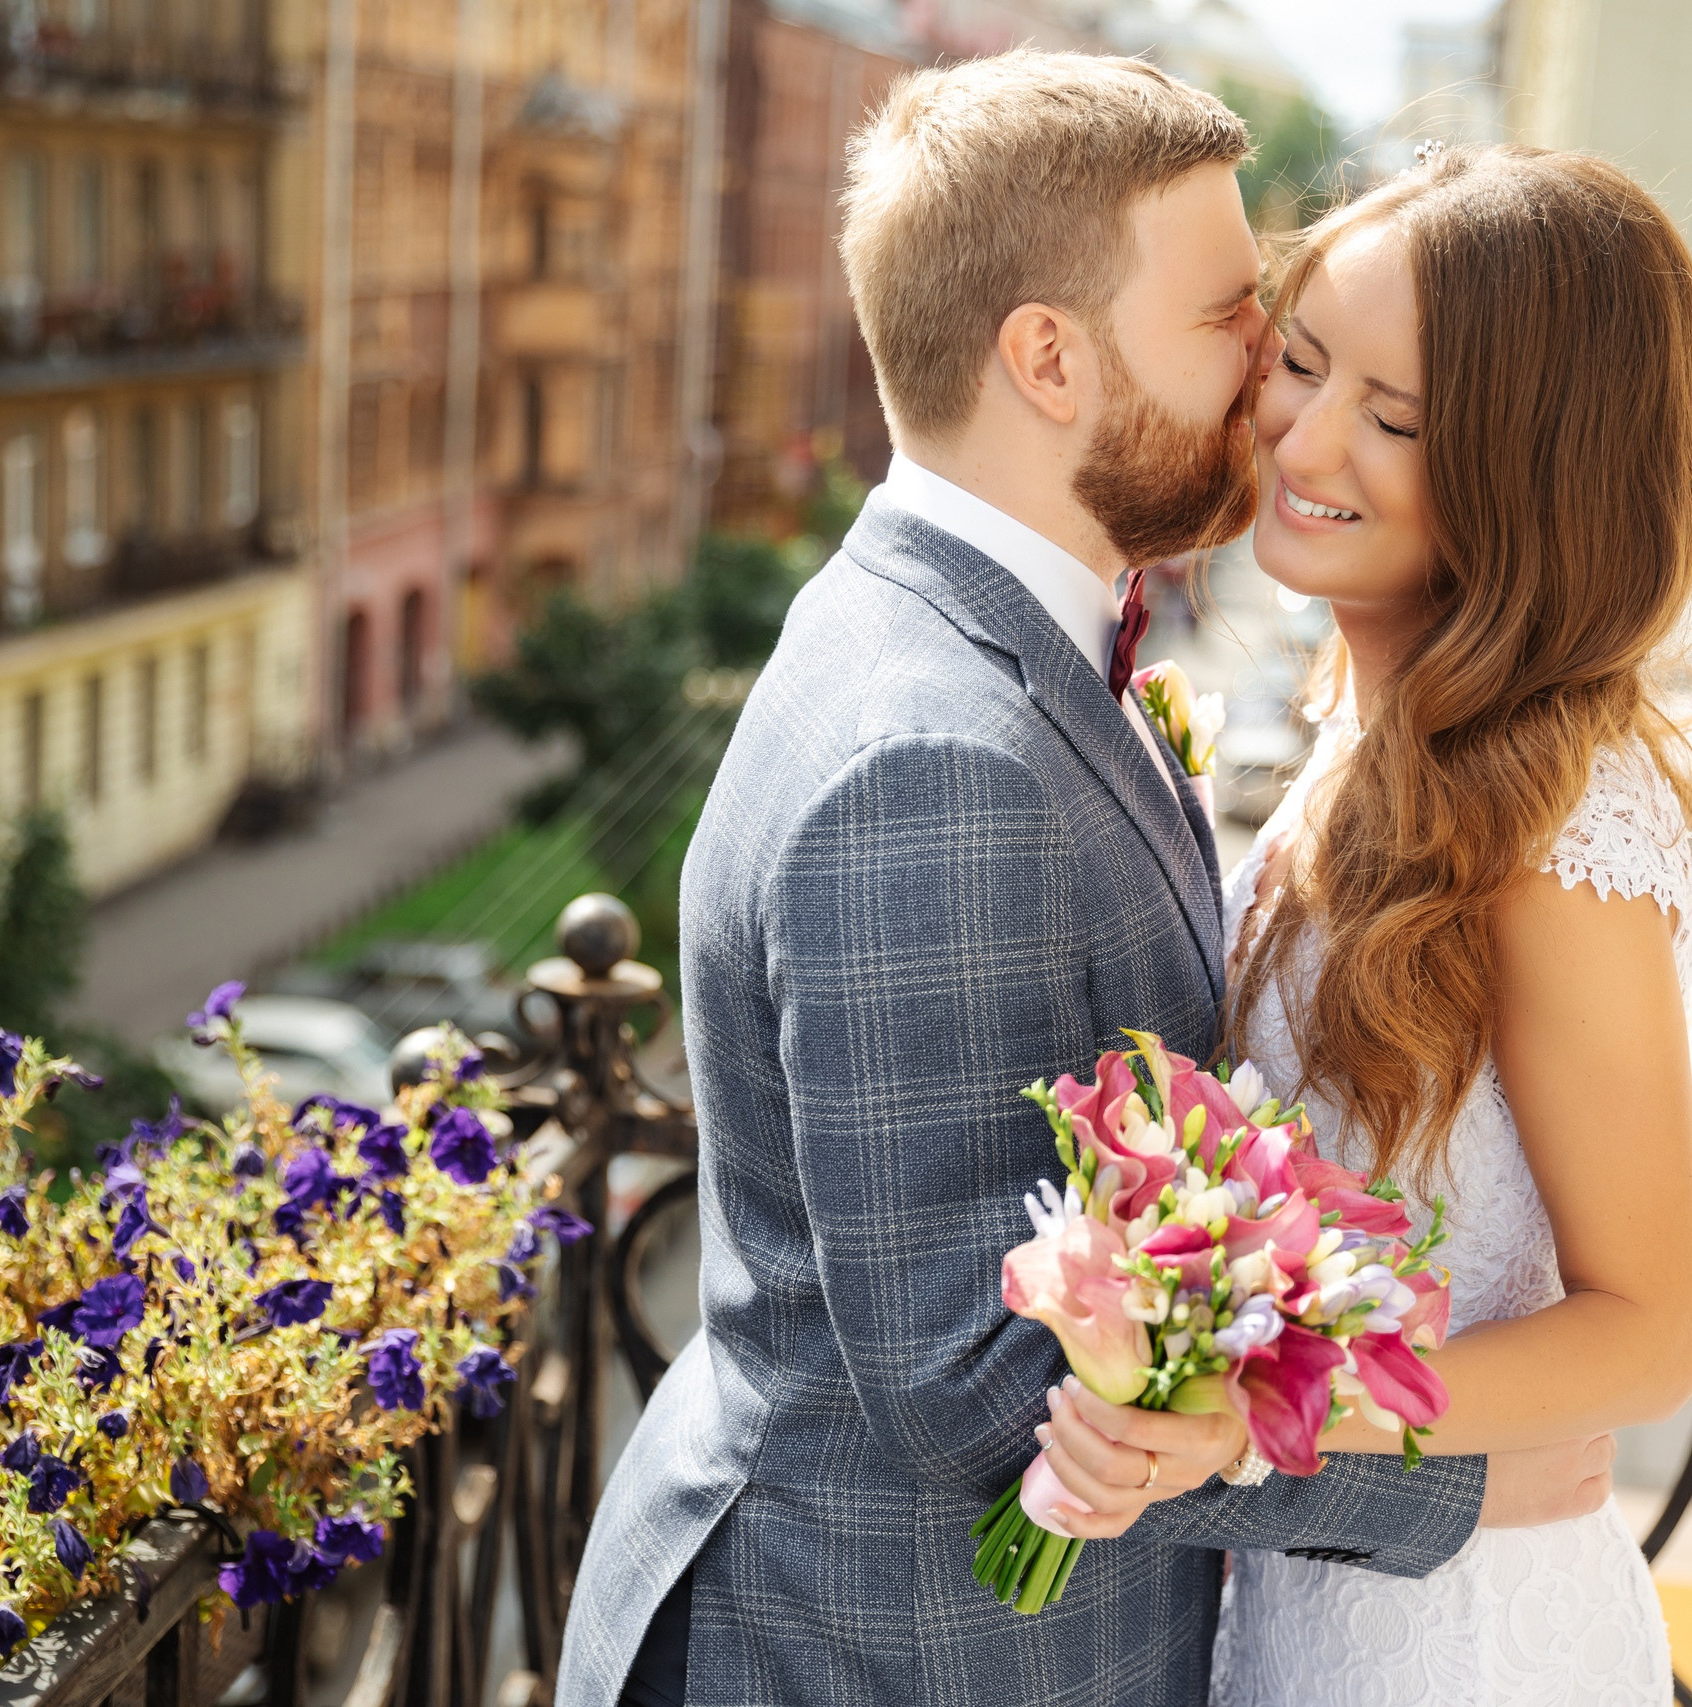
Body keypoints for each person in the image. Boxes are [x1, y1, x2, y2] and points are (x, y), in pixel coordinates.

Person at [558, 57, 1615, 1707]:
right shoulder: (936, 759)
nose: (1267, 375)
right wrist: (1454, 1485)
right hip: (887, 1653)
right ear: (1050, 357)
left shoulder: (980, 638)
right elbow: (980, 1383)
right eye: (1229, 322)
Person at [1185, 144, 1692, 1702]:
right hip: (1310, 1590)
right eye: (1300, 361)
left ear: (1530, 472)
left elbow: (1647, 1334)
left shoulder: (1552, 828)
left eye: (1398, 417)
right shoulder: (1362, 726)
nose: (1308, 433)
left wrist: (1254, 1406)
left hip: (1463, 1641)